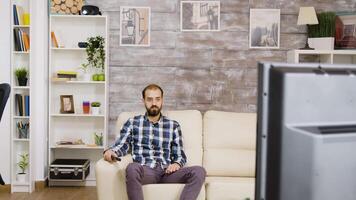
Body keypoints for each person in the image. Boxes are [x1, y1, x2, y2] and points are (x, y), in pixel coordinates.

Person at [103, 84, 206, 200]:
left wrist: (177, 164)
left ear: (162, 100)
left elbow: (179, 154)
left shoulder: (173, 125)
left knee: (199, 171)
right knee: (132, 168)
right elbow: (122, 145)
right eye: (149, 99)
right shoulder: (132, 122)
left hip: (167, 172)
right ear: (143, 101)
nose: (154, 103)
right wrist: (112, 151)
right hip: (145, 171)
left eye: (157, 99)